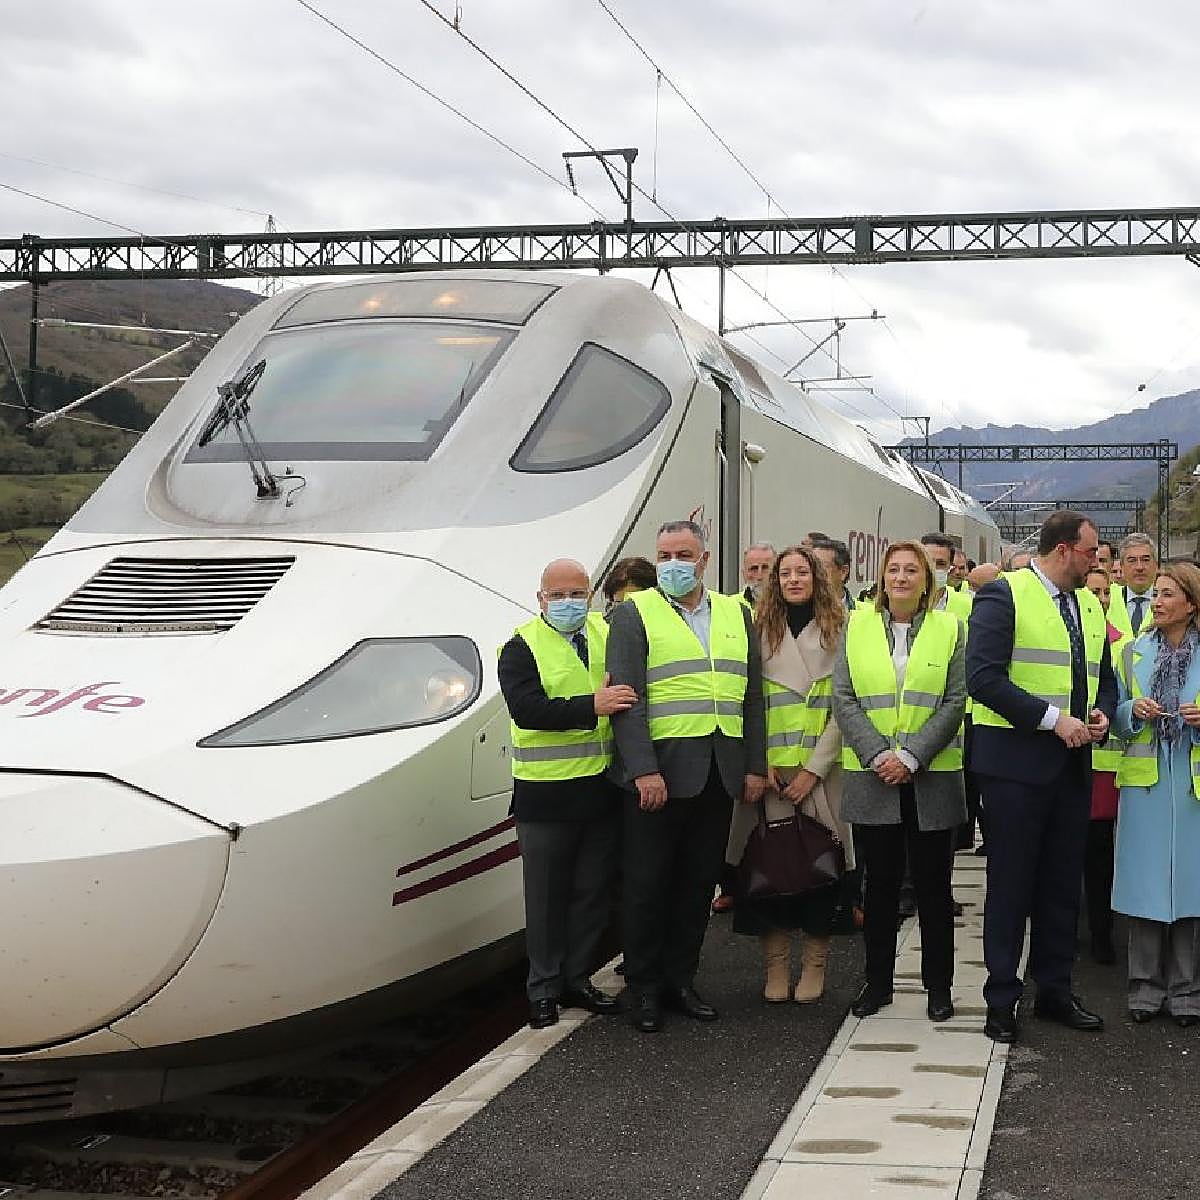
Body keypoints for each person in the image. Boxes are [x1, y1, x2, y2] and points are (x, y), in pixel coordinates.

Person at [607, 520, 768, 1032]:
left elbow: (752, 697)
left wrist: (754, 766)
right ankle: (645, 989)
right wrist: (644, 771)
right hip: (660, 776)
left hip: (719, 773)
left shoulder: (735, 614)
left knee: (696, 884)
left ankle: (682, 980)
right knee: (647, 886)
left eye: (683, 554)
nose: (673, 564)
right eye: (664, 555)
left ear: (704, 559)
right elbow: (626, 704)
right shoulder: (634, 615)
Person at [968, 511, 1117, 1044]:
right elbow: (982, 678)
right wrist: (1054, 720)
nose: (1097, 562)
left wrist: (1101, 711)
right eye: (1091, 552)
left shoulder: (1088, 607)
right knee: (1010, 886)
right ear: (1063, 550)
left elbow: (1105, 681)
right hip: (1014, 768)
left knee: (1060, 888)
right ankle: (1001, 999)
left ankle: (1055, 988)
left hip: (1071, 767)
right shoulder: (1003, 596)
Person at [833, 540, 967, 1022]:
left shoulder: (950, 628)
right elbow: (843, 697)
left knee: (933, 888)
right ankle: (878, 984)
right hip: (873, 777)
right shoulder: (857, 624)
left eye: (913, 570)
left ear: (927, 580)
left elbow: (955, 701)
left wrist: (911, 756)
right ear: (882, 576)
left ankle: (939, 988)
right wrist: (878, 755)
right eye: (894, 569)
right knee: (880, 886)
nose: (902, 577)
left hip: (931, 775)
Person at [498, 559, 635, 1029]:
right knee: (545, 899)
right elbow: (527, 709)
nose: (568, 603)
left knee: (591, 895)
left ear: (592, 595)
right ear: (541, 599)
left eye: (577, 594)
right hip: (545, 799)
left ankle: (577, 979)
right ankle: (542, 990)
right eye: (558, 595)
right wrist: (591, 706)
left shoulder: (603, 633)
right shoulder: (519, 647)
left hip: (598, 792)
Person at [727, 545, 849, 1003]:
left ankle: (814, 965)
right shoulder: (757, 630)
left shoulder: (842, 630)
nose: (793, 580)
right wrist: (761, 765)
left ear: (818, 579)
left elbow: (844, 709)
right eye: (785, 574)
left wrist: (813, 770)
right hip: (770, 775)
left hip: (820, 772)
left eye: (802, 572)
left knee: (822, 867)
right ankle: (775, 966)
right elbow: (747, 703)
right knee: (769, 870)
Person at [1111, 562, 1200, 1025]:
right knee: (1146, 889)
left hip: (1191, 790)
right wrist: (1131, 711)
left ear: (1190, 603)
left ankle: (1187, 992)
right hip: (1145, 786)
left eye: (1167, 594)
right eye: (1156, 595)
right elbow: (1112, 718)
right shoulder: (1131, 653)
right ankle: (1144, 988)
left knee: (1191, 891)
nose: (1157, 603)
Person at [1083, 566, 1125, 965]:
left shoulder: (1124, 639)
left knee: (1099, 854)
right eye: (1092, 590)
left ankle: (1101, 931)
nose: (1099, 598)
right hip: (1071, 757)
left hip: (1107, 765)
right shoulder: (1070, 633)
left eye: (1105, 591)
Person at [1108, 533, 1158, 639]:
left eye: (1145, 560)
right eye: (1132, 560)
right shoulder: (1107, 599)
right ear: (1122, 566)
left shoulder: (1170, 602)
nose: (1139, 567)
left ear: (1156, 565)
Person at [812, 537, 856, 610]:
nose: (814, 573)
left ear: (843, 572)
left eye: (821, 567)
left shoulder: (871, 613)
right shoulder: (794, 612)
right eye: (811, 566)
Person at [740, 542, 776, 610]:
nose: (759, 576)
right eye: (754, 568)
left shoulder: (787, 605)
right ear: (744, 574)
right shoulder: (730, 606)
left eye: (765, 568)